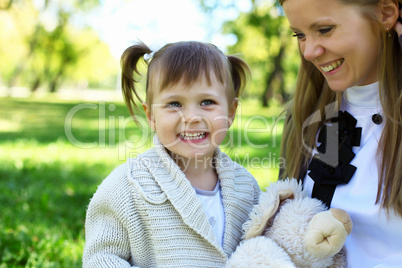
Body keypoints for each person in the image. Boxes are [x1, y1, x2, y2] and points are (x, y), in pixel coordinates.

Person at [82, 41, 260, 267]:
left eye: (207, 102)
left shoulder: (247, 188)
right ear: (151, 115)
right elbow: (101, 259)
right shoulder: (127, 188)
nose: (192, 117)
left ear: (231, 111)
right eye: (175, 103)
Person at [278, 0, 402, 267]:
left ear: (387, 13)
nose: (309, 51)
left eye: (324, 29)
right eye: (299, 35)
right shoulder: (305, 119)